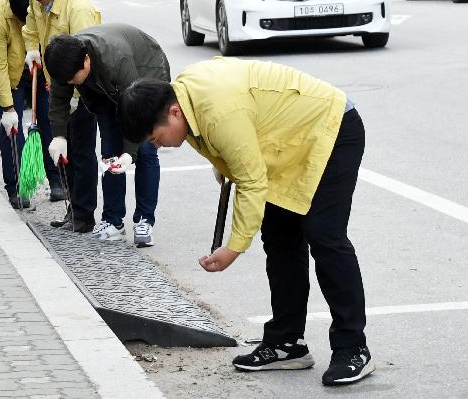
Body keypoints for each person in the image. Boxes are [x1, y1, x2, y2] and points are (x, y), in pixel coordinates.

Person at [118, 58, 374, 387]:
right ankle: (287, 344)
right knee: (280, 238)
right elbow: (233, 155)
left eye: (155, 138)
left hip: (331, 130)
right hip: (284, 145)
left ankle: (353, 348)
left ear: (173, 113)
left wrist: (233, 248)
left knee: (324, 235)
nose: (158, 145)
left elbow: (251, 181)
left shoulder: (216, 110)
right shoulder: (185, 98)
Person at [44, 25, 169, 247]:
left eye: (74, 78)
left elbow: (136, 112)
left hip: (146, 77)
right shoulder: (62, 62)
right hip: (104, 90)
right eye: (67, 81)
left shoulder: (116, 59)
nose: (71, 83)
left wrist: (130, 153)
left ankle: (144, 221)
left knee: (146, 150)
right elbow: (58, 99)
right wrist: (59, 136)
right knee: (110, 152)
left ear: (86, 60)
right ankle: (113, 221)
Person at [19, 0, 100, 233]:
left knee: (81, 151)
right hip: (58, 84)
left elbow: (84, 61)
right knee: (65, 150)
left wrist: (74, 104)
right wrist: (32, 49)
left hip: (83, 87)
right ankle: (73, 207)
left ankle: (84, 215)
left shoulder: (78, 9)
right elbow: (30, 26)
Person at [0, 0, 67, 209]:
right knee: (12, 128)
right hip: (12, 73)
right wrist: (7, 107)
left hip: (40, 67)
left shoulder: (40, 2)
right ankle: (16, 186)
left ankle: (57, 181)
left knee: (50, 121)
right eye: (20, 22)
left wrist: (51, 79)